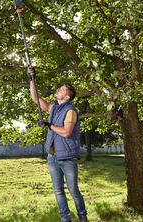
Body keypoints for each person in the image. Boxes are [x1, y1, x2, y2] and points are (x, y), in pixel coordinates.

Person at [29, 80, 88, 222]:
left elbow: (67, 132)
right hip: (53, 157)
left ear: (67, 97)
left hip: (68, 157)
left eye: (61, 89)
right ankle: (65, 219)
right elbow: (35, 98)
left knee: (73, 191)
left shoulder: (71, 111)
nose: (58, 90)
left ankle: (82, 216)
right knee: (58, 191)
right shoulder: (53, 108)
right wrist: (31, 77)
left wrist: (49, 125)